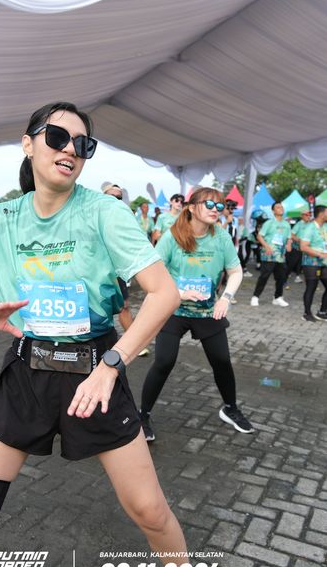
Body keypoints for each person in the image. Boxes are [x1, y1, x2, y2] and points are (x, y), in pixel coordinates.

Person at [0, 102, 211, 567]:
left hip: (95, 374)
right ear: (28, 143)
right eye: (57, 136)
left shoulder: (103, 213)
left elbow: (163, 293)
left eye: (83, 143)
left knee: (149, 510)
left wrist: (113, 365)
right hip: (26, 375)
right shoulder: (3, 218)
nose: (70, 149)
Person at [139, 186, 254, 442]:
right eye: (209, 205)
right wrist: (179, 293)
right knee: (164, 361)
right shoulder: (172, 236)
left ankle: (230, 408)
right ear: (192, 207)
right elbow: (152, 275)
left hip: (207, 311)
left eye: (219, 206)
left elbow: (235, 271)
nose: (216, 210)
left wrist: (225, 298)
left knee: (222, 360)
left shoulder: (221, 237)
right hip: (173, 309)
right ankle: (142, 415)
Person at [102, 183, 149, 356]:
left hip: (117, 269)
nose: (116, 200)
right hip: (97, 272)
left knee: (124, 306)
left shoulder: (124, 217)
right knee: (100, 308)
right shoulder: (93, 215)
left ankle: (133, 345)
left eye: (119, 197)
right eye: (112, 196)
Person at [250, 202, 292, 307]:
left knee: (281, 277)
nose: (280, 208)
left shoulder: (286, 224)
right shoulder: (269, 223)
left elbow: (289, 237)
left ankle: (277, 297)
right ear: (273, 211)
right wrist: (266, 246)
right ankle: (255, 297)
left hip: (281, 256)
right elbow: (259, 236)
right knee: (264, 276)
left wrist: (288, 244)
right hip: (269, 254)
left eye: (281, 207)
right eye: (278, 207)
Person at [299, 205, 327, 322]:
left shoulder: (325, 227)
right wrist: (319, 254)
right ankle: (307, 313)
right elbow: (303, 247)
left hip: (324, 262)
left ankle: (322, 312)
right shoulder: (309, 228)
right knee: (312, 287)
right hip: (311, 262)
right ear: (321, 214)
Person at [285, 209, 311, 285]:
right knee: (291, 264)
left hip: (305, 248)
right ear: (302, 216)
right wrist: (299, 240)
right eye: (306, 215)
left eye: (309, 215)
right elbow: (291, 235)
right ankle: (284, 279)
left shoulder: (310, 224)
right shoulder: (299, 224)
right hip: (296, 248)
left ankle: (297, 276)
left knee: (300, 263)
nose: (308, 216)